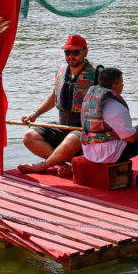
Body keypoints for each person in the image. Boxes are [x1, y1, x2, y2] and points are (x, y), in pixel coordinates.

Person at [18, 35, 99, 176]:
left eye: (75, 52)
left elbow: (111, 99)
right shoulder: (62, 71)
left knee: (71, 140)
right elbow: (54, 96)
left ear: (85, 52)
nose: (71, 56)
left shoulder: (98, 72)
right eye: (67, 52)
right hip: (63, 125)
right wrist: (35, 114)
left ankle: (43, 165)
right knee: (29, 136)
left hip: (85, 129)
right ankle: (65, 164)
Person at [79, 67, 138, 182]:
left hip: (89, 151)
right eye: (121, 83)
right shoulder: (115, 107)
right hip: (108, 155)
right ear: (114, 86)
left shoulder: (91, 99)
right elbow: (131, 138)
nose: (123, 85)